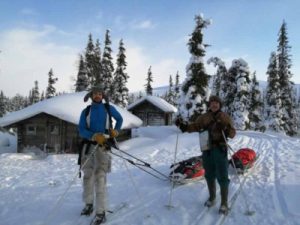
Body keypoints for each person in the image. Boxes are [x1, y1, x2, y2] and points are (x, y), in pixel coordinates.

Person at [175, 95, 236, 215]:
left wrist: (225, 128)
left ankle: (224, 203)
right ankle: (212, 198)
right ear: (209, 105)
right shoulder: (203, 117)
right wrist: (183, 126)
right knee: (209, 175)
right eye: (212, 102)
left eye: (217, 103)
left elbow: (233, 133)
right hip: (207, 150)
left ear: (219, 105)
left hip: (220, 149)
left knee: (222, 176)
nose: (214, 105)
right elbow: (194, 127)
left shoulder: (225, 117)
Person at [78, 85, 123, 224]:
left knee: (100, 177)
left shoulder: (108, 108)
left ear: (102, 95)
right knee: (87, 176)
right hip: (88, 146)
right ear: (91, 96)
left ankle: (101, 212)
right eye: (95, 94)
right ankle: (89, 204)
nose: (97, 95)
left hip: (104, 146)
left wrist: (116, 131)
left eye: (99, 93)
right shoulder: (86, 111)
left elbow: (120, 119)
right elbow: (81, 129)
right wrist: (93, 136)